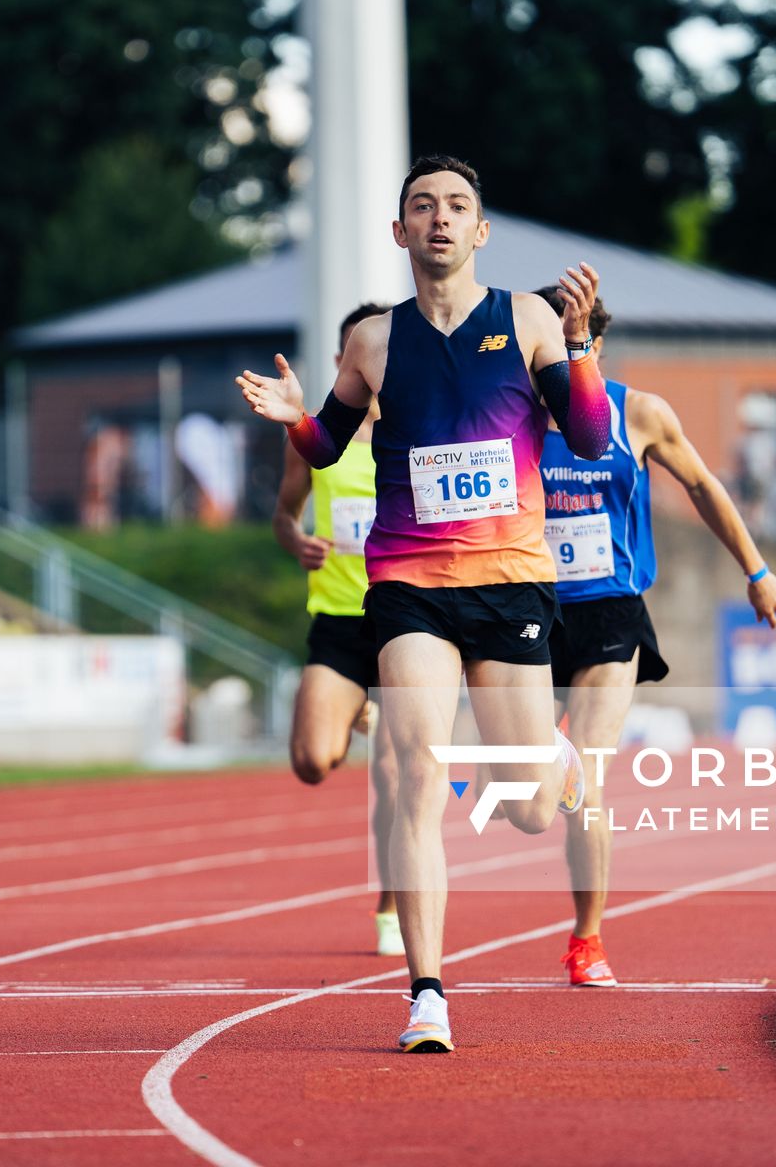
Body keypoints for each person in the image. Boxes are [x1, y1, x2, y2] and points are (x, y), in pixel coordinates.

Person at [237, 154, 607, 1053]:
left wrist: (585, 347)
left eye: (457, 207)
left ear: (480, 231)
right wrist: (296, 414)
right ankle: (428, 992)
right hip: (406, 585)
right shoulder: (374, 342)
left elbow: (591, 440)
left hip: (510, 580)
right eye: (421, 207)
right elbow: (325, 448)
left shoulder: (525, 320)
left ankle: (549, 754)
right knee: (409, 775)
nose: (439, 219)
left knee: (523, 806)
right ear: (399, 232)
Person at [537, 287, 776, 987]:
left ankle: (587, 940)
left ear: (598, 346)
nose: (559, 362)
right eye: (549, 350)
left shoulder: (637, 413)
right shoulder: (510, 417)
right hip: (524, 610)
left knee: (587, 780)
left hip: (610, 609)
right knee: (531, 791)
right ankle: (541, 751)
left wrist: (757, 569)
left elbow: (705, 486)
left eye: (575, 345)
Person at [272, 302, 404, 957]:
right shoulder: (316, 441)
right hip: (338, 623)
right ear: (340, 363)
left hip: (407, 623)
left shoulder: (419, 432)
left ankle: (390, 905)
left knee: (397, 773)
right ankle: (350, 716)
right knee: (311, 764)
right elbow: (282, 517)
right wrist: (297, 541)